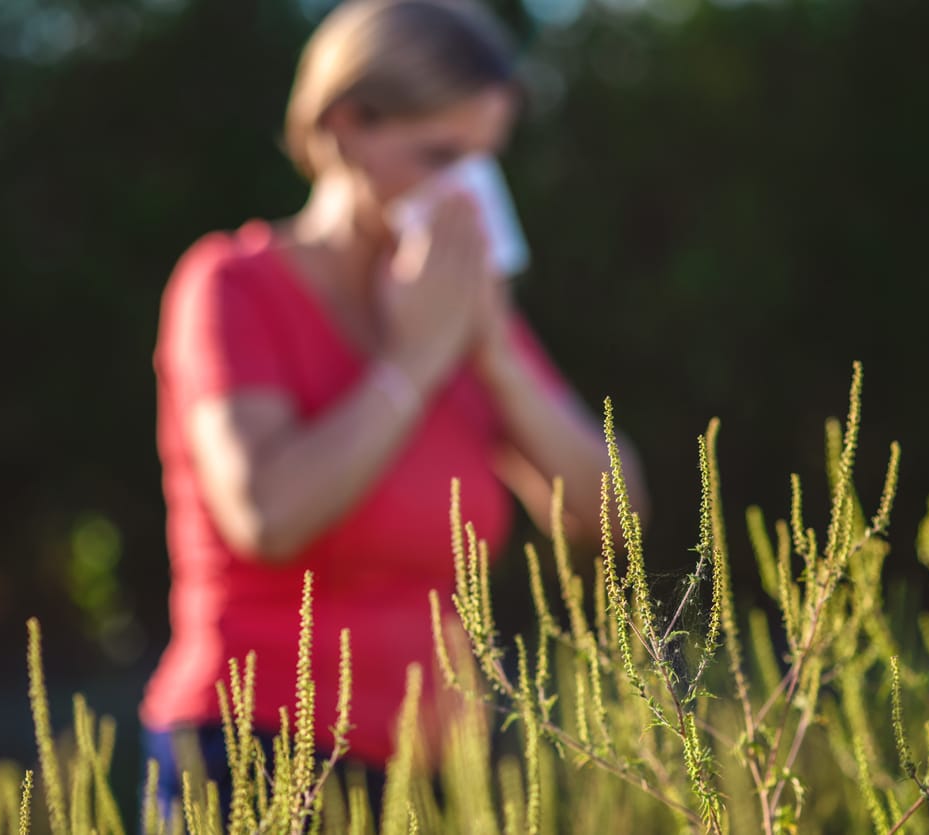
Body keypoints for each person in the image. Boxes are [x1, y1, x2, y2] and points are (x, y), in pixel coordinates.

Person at [140, 0, 648, 814]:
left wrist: (489, 353)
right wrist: (411, 359)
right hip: (255, 748)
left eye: (485, 162)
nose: (467, 192)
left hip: (439, 765)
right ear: (345, 129)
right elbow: (268, 514)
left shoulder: (454, 304)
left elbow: (612, 511)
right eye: (440, 155)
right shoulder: (231, 286)